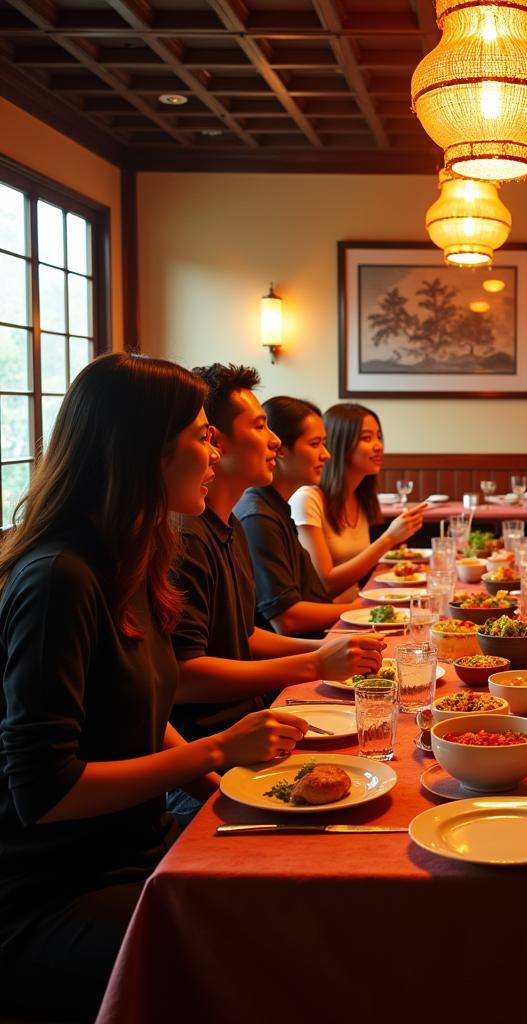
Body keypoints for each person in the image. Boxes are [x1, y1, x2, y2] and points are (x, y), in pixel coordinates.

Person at [0, 353, 309, 1019]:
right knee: (258, 953)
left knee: (298, 899)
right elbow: (43, 791)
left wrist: (240, 797)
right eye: (202, 435)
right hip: (58, 889)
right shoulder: (61, 578)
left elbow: (145, 718)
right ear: (143, 449)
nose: (214, 450)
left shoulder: (132, 557)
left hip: (138, 845)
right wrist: (216, 753)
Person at [172, 366, 384, 747]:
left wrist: (328, 649)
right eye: (259, 427)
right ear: (215, 441)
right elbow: (183, 675)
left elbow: (245, 635)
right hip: (217, 742)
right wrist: (317, 661)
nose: (274, 442)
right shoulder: (189, 537)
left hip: (255, 721)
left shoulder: (230, 525)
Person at [235, 397, 362, 637]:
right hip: (292, 661)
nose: (326, 455)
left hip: (318, 643)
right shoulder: (257, 517)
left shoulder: (277, 507)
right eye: (315, 444)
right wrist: (359, 610)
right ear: (280, 450)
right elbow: (288, 619)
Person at [291, 402, 425, 602]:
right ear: (340, 443)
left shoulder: (359, 498)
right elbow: (324, 584)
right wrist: (388, 539)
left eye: (379, 437)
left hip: (356, 608)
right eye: (366, 438)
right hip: (329, 621)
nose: (378, 446)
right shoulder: (308, 499)